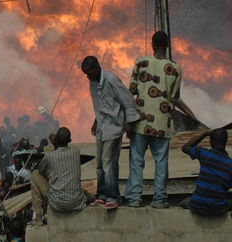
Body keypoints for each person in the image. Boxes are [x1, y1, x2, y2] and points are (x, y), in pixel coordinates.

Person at [126, 31, 193, 209]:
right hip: (162, 124)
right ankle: (160, 199)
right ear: (168, 45)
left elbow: (131, 90)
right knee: (161, 161)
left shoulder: (141, 63)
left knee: (136, 161)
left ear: (152, 44)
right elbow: (174, 97)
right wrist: (190, 113)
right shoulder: (175, 69)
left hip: (141, 122)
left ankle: (133, 198)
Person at [81, 55, 139, 209]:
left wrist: (129, 123)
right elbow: (101, 104)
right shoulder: (92, 83)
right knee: (100, 163)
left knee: (109, 163)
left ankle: (113, 196)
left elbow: (127, 100)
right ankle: (101, 194)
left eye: (89, 73)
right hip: (102, 127)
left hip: (113, 127)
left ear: (96, 68)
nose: (87, 77)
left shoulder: (111, 79)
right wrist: (95, 121)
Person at [30, 127, 87, 226]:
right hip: (77, 202)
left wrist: (54, 145)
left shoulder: (49, 156)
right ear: (70, 140)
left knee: (35, 174)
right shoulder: (76, 152)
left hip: (57, 203)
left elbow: (41, 170)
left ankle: (38, 217)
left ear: (55, 141)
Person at [180, 127, 232, 215]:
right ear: (225, 142)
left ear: (212, 142)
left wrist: (204, 134)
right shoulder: (230, 164)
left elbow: (186, 147)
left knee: (183, 203)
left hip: (197, 206)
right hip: (217, 209)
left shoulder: (205, 154)